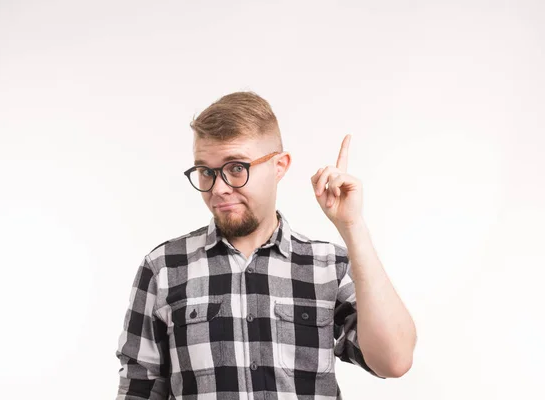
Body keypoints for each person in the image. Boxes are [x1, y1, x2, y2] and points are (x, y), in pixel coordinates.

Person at [115, 91, 417, 399]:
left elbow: (393, 361)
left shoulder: (327, 266)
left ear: (279, 166)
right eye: (206, 171)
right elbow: (139, 388)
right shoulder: (164, 268)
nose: (218, 189)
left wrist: (352, 227)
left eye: (236, 168)